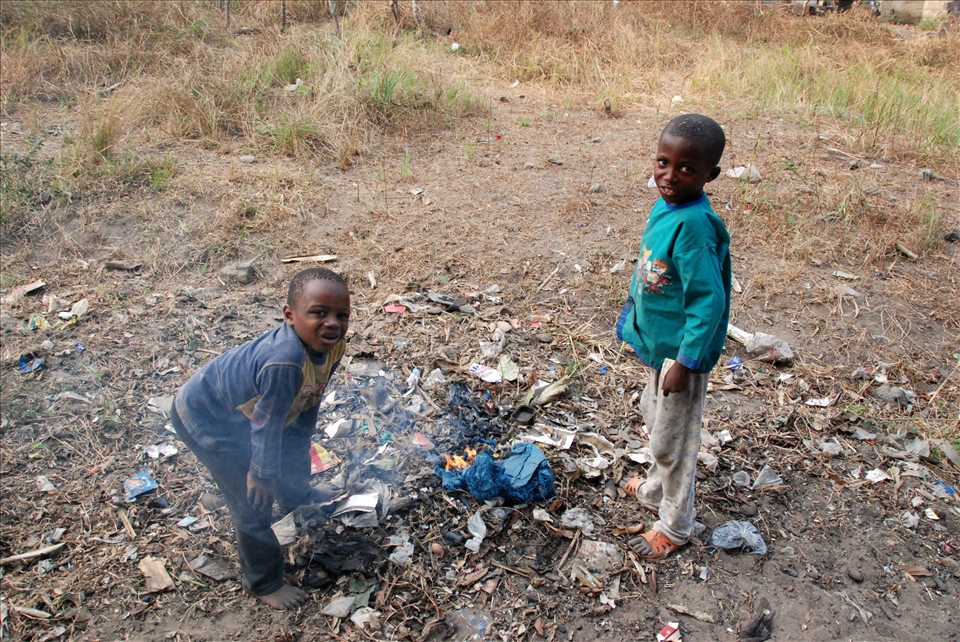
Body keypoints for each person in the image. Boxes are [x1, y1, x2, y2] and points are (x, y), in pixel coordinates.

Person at [171, 267, 350, 609]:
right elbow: (266, 426)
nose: (332, 323)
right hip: (209, 420)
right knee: (253, 503)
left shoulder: (334, 346)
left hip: (253, 413)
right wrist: (261, 474)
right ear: (289, 315)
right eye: (318, 313)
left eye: (342, 316)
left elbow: (310, 395)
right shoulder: (284, 362)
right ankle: (263, 582)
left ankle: (297, 497)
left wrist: (301, 437)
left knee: (295, 448)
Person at [616, 114, 731, 560]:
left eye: (687, 169)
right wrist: (633, 318)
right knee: (654, 418)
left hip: (680, 356)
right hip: (658, 347)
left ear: (710, 176)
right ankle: (652, 490)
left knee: (674, 442)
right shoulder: (665, 207)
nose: (670, 175)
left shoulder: (696, 227)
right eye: (664, 162)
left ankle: (676, 524)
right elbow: (650, 269)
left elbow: (708, 302)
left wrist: (686, 362)